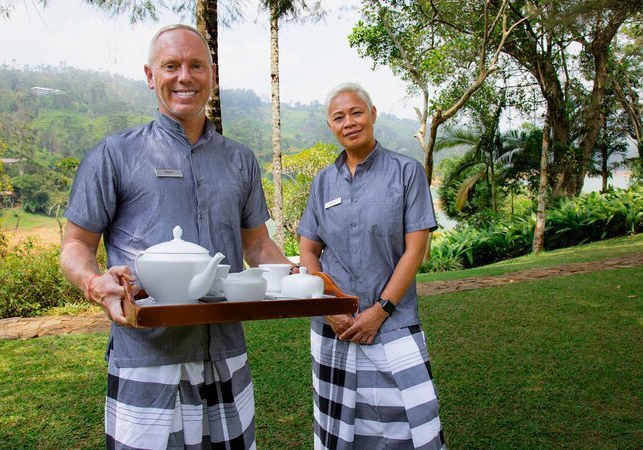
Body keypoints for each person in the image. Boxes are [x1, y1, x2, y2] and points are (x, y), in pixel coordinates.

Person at [59, 24, 294, 450]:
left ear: (213, 75)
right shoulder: (114, 154)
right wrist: (94, 283)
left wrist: (298, 280)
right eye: (171, 66)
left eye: (196, 66)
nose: (184, 77)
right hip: (147, 353)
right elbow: (75, 245)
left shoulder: (239, 159)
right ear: (151, 76)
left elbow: (257, 245)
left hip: (225, 349)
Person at [297, 82, 446, 449]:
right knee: (339, 428)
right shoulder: (323, 182)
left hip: (394, 322)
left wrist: (381, 310)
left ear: (373, 114)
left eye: (356, 112)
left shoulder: (406, 172)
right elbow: (308, 250)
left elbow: (415, 249)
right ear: (331, 127)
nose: (349, 122)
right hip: (337, 327)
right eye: (338, 117)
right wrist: (329, 308)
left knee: (414, 422)